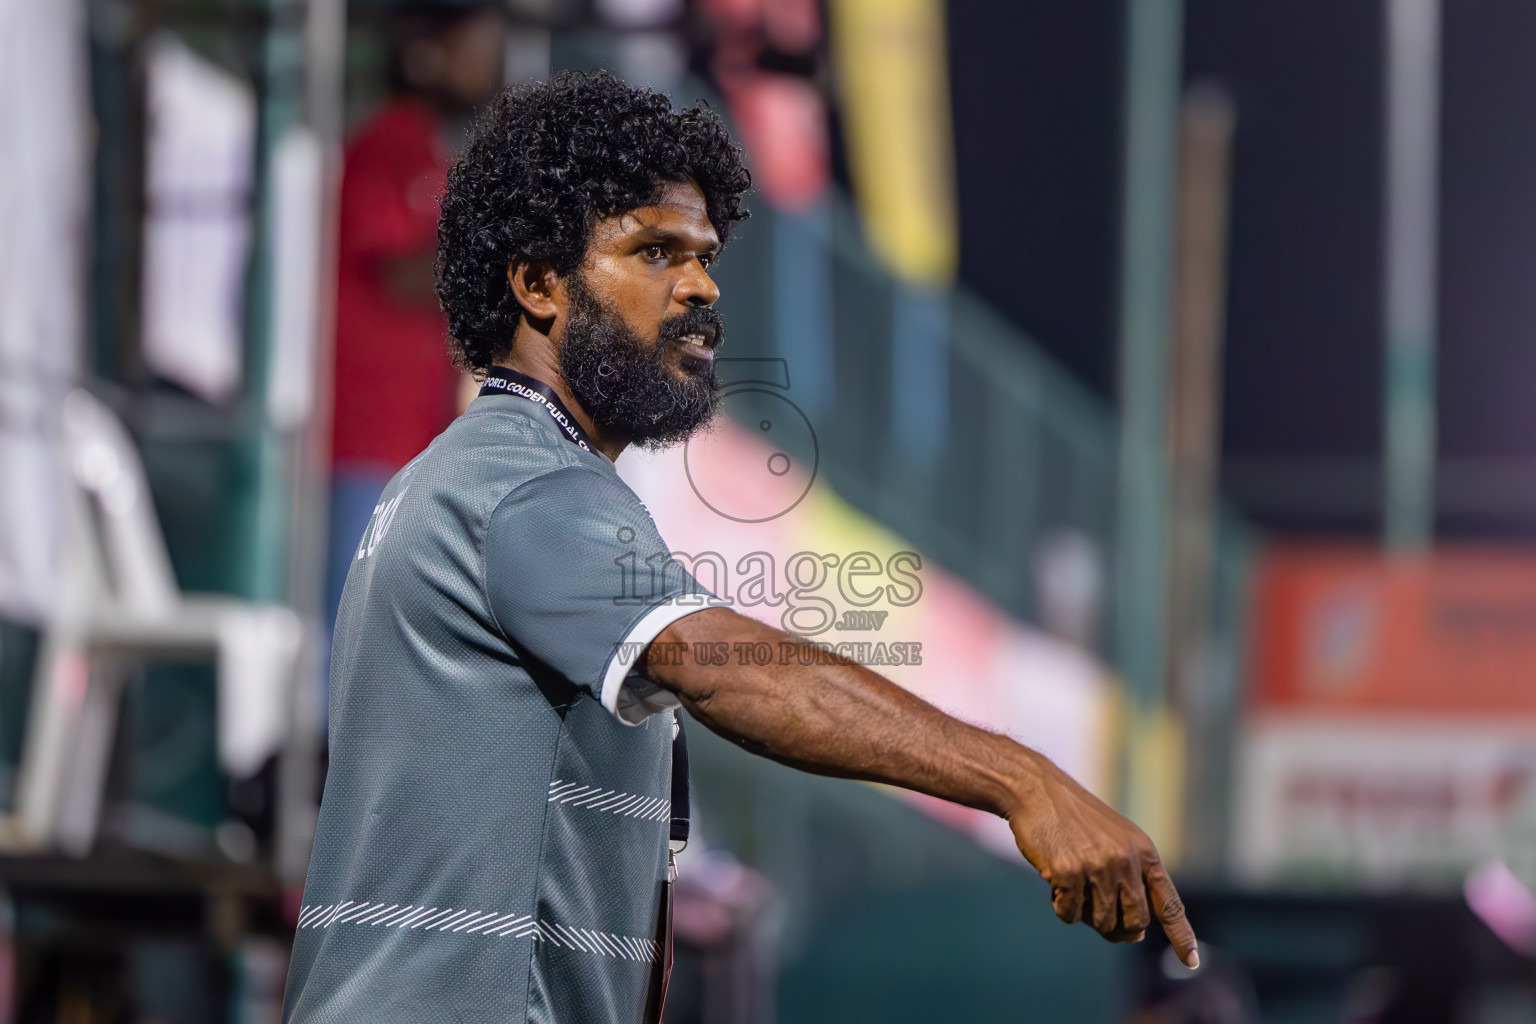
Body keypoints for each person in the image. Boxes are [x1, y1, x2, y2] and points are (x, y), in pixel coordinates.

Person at [283, 71, 1197, 1024]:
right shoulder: (526, 483)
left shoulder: (471, 473)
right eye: (653, 251)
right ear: (539, 285)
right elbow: (733, 671)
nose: (701, 286)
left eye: (705, 256)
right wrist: (1024, 780)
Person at [326, 2, 505, 638]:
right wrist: (501, 256)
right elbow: (399, 271)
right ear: (427, 51)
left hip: (412, 444)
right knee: (350, 633)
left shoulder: (433, 152)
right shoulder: (388, 143)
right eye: (476, 41)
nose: (491, 56)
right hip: (361, 438)